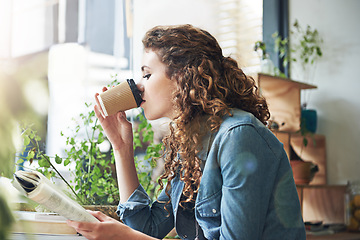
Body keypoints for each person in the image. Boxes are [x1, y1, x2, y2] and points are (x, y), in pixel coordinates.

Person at [67, 24, 306, 240]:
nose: (139, 86)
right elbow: (147, 230)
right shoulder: (190, 143)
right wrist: (121, 147)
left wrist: (125, 238)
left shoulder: (239, 136)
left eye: (147, 74)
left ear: (183, 76)